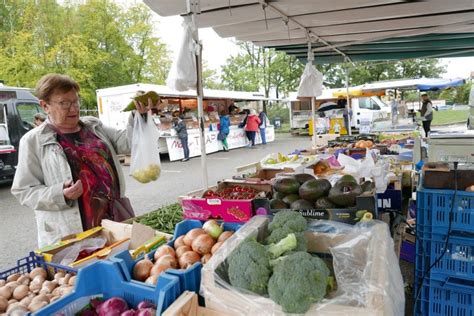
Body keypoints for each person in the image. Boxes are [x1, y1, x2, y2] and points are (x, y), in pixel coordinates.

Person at [11, 74, 152, 247]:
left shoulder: (93, 127)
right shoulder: (33, 141)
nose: (74, 109)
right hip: (73, 231)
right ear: (45, 106)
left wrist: (139, 115)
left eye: (76, 101)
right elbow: (23, 191)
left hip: (114, 221)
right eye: (65, 103)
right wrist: (59, 194)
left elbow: (128, 143)